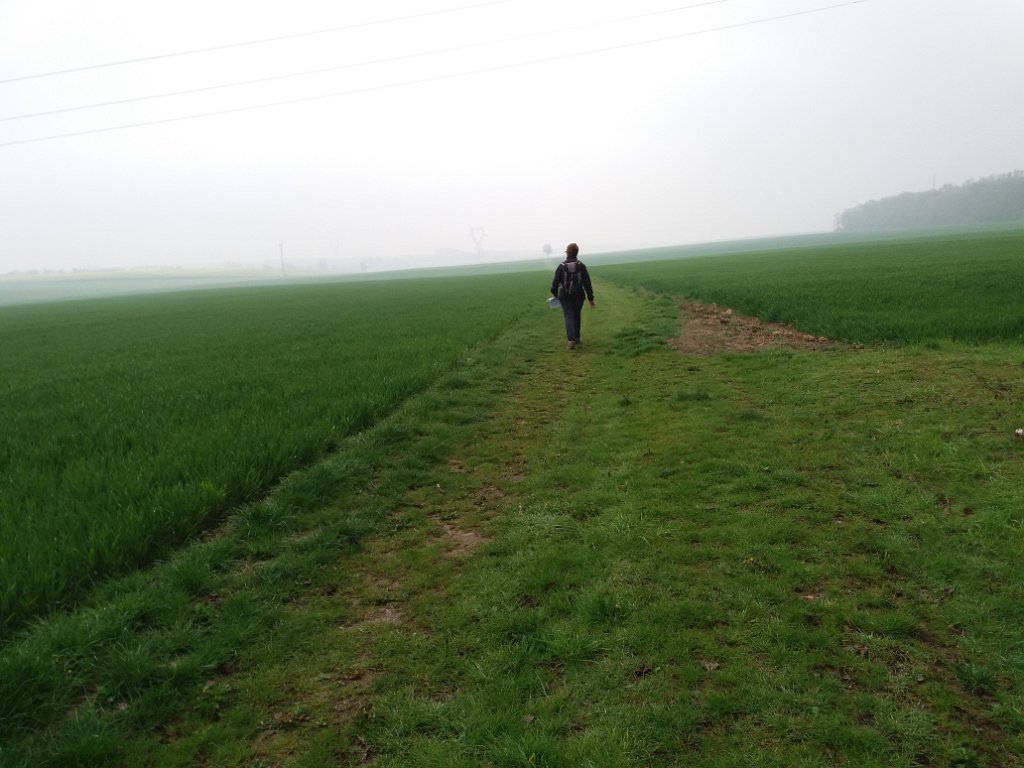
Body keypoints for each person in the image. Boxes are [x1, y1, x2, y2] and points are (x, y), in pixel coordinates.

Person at [550, 242, 595, 350]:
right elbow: (587, 283)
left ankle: (571, 340)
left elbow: (555, 284)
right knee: (576, 315)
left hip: (565, 296)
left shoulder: (561, 266)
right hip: (579, 295)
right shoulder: (581, 266)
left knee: (568, 316)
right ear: (577, 252)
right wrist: (590, 298)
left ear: (567, 252)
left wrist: (555, 295)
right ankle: (577, 337)